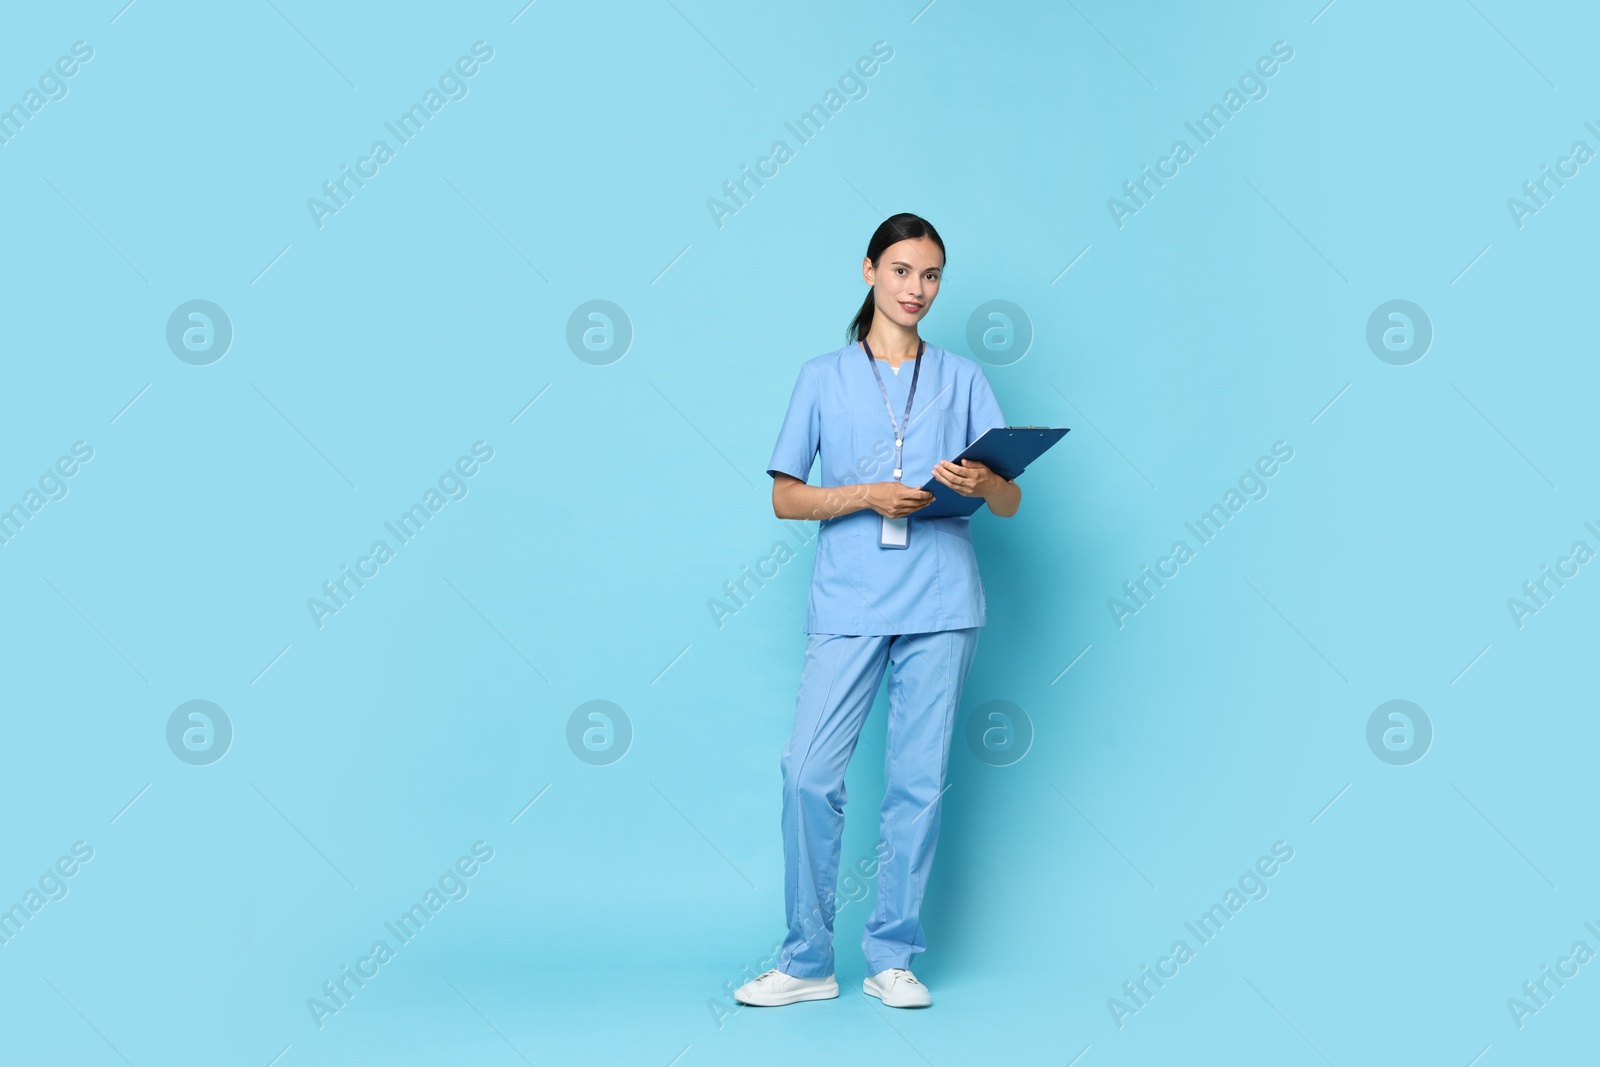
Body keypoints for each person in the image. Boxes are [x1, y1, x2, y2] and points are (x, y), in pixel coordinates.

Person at [735, 213, 1021, 1011]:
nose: (916, 290)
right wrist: (863, 493)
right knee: (808, 774)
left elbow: (1009, 500)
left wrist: (983, 484)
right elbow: (786, 496)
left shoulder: (962, 378)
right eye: (901, 271)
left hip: (940, 597)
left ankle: (892, 954)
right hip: (851, 595)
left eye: (930, 276)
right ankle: (806, 957)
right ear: (868, 272)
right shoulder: (822, 376)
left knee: (916, 782)